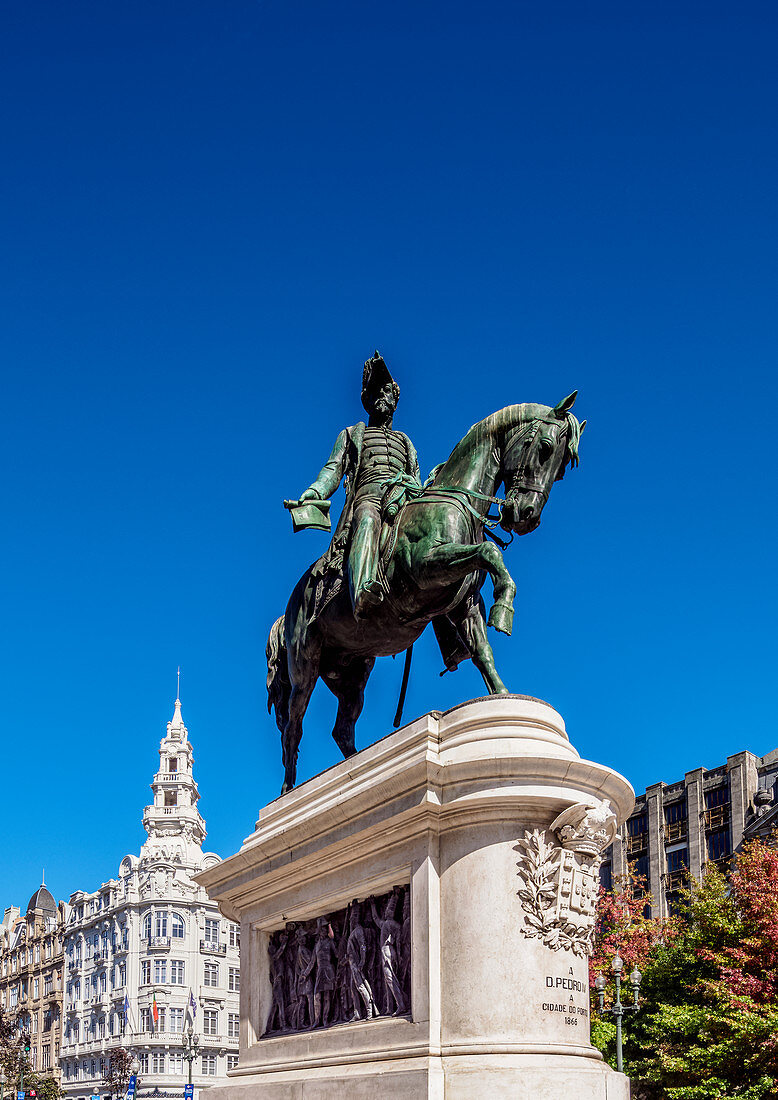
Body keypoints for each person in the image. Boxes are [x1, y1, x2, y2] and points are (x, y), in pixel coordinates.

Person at [297, 351, 421, 619]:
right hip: (368, 499)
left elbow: (417, 478)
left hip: (403, 499)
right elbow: (333, 469)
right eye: (375, 391)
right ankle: (363, 591)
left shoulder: (405, 441)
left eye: (386, 390)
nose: (380, 396)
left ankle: (453, 633)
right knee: (366, 520)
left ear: (395, 400)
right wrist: (315, 491)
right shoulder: (352, 434)